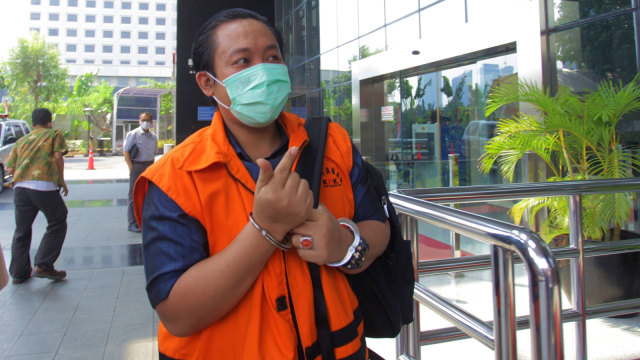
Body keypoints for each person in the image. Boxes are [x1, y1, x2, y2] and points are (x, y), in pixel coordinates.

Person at [133, 8, 390, 360]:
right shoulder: (178, 175)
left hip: (339, 349)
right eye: (242, 61)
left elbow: (378, 226)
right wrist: (265, 228)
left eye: (272, 57)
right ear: (208, 83)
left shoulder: (332, 142)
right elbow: (177, 313)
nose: (263, 71)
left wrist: (343, 245)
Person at [6, 108, 68, 284]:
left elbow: (10, 169)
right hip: (43, 186)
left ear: (33, 123)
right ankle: (43, 264)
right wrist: (61, 180)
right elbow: (58, 156)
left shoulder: (21, 141)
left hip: (20, 188)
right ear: (49, 122)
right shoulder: (54, 134)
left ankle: (18, 273)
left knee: (22, 230)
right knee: (58, 220)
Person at [123, 112, 157, 232]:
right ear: (139, 121)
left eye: (148, 120)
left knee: (147, 194)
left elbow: (153, 153)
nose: (145, 122)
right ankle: (132, 223)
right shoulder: (134, 134)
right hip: (137, 165)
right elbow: (126, 151)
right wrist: (131, 168)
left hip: (149, 166)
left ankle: (144, 220)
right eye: (143, 120)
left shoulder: (153, 136)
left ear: (151, 122)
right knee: (133, 194)